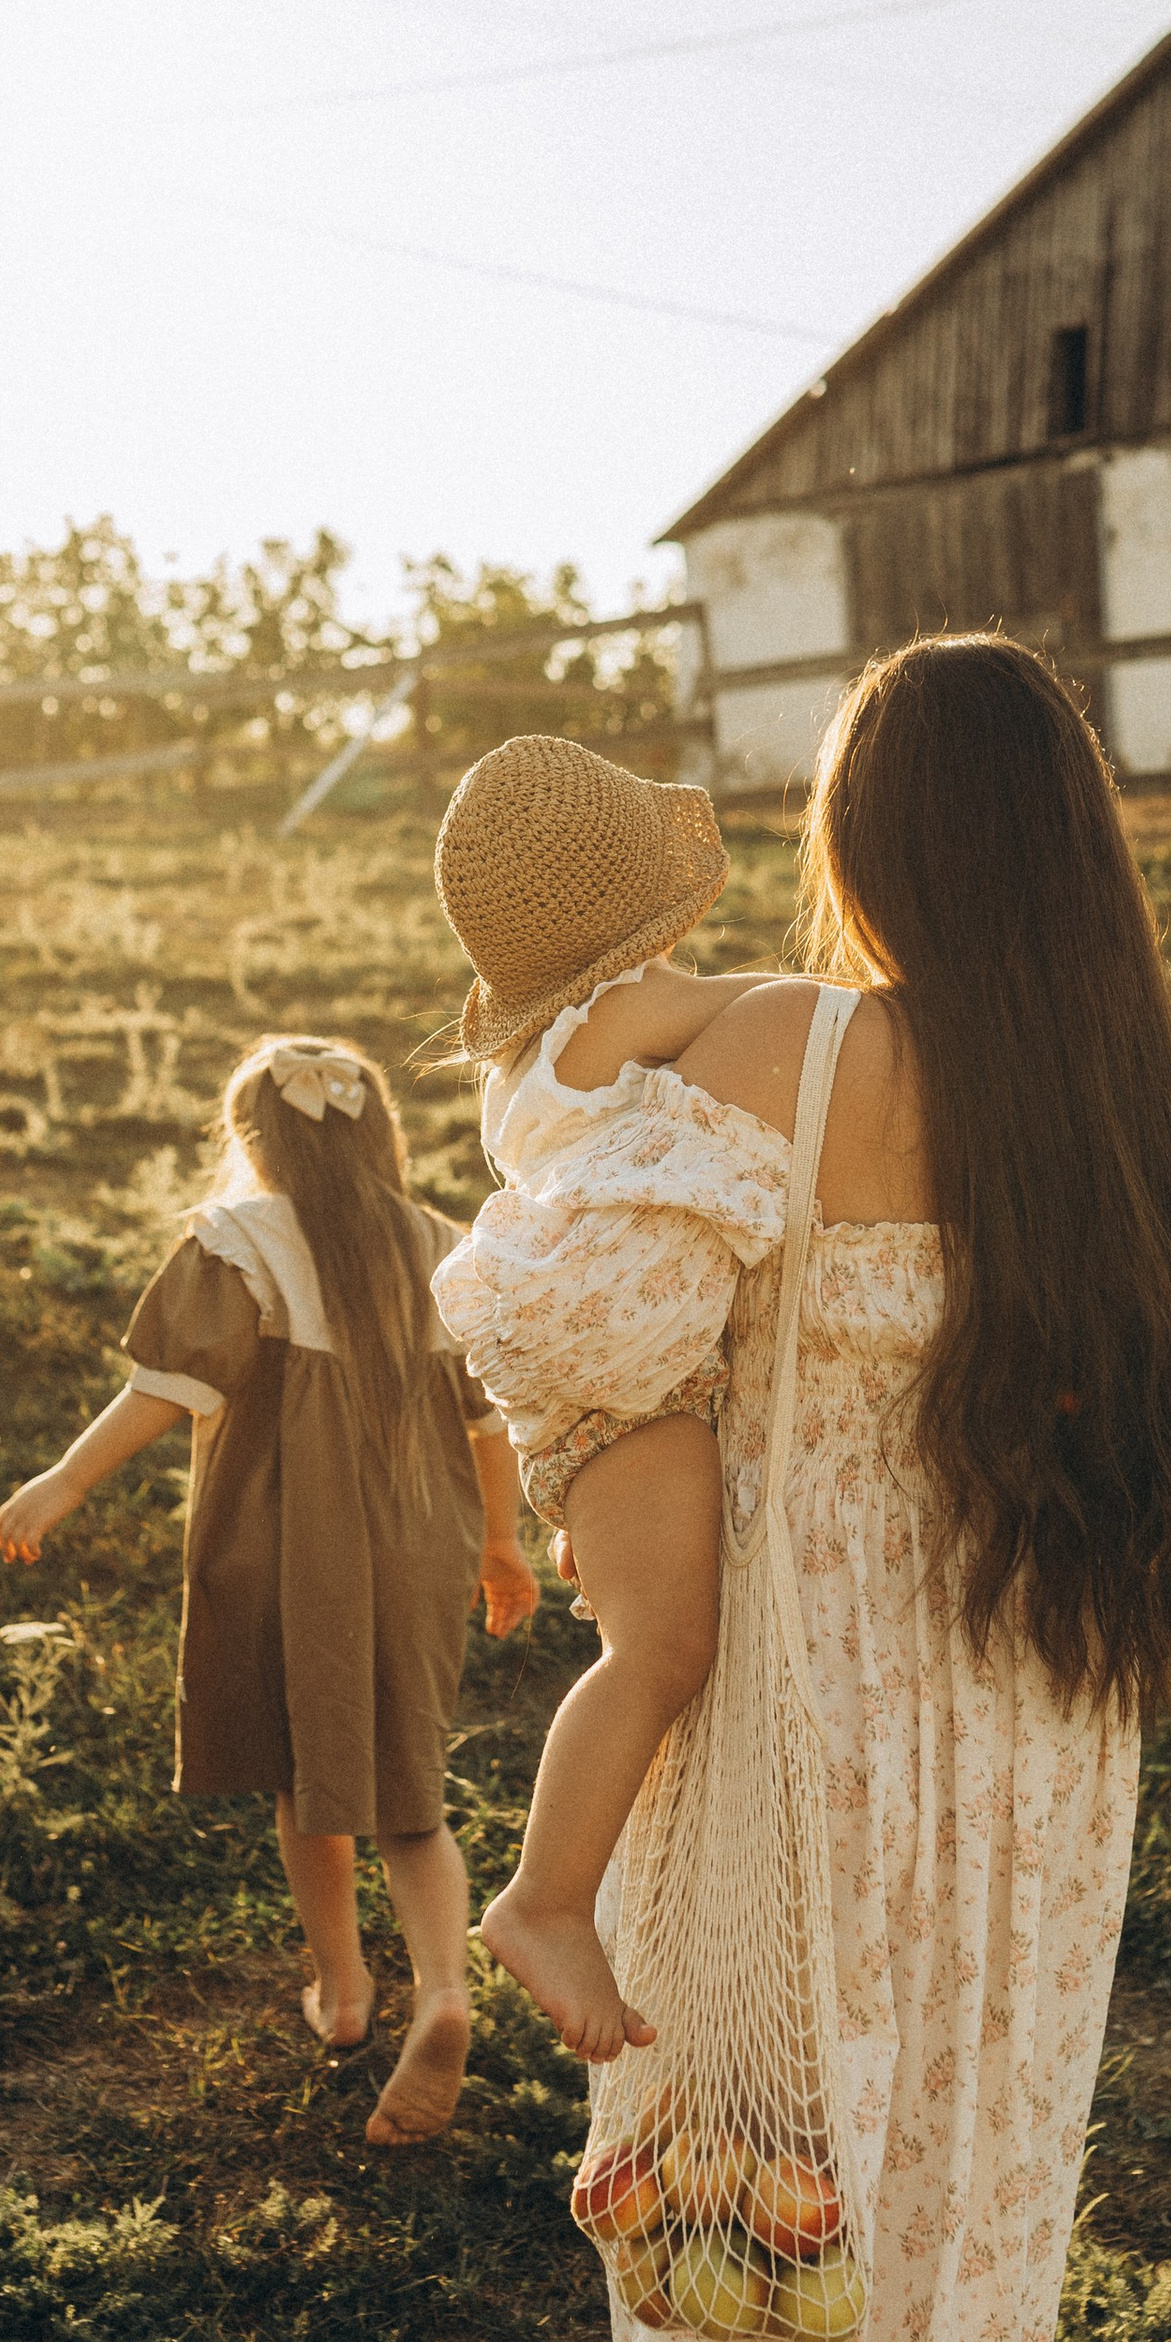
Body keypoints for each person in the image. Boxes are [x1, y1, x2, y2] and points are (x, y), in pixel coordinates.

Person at [434, 641, 1171, 2342]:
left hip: (812, 1738)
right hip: (1032, 1748)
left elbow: (546, 1264)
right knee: (956, 2261)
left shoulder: (782, 1052)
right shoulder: (1115, 1091)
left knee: (798, 2267)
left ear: (865, 840)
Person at [0, 1032, 538, 2148]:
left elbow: (167, 1386)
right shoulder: (441, 1244)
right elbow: (489, 1422)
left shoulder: (240, 1241)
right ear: (378, 1134)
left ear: (248, 1139)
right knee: (407, 1784)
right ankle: (443, 1987)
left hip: (299, 1543)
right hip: (424, 1537)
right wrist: (501, 1547)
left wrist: (63, 1480)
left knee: (307, 1766)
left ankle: (341, 1993)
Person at [429, 731, 766, 2058]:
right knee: (662, 1652)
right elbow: (779, 1014)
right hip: (623, 1378)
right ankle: (545, 1898)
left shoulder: (529, 1057)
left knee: (657, 1644)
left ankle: (560, 1892)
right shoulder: (624, 1012)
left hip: (582, 1383)